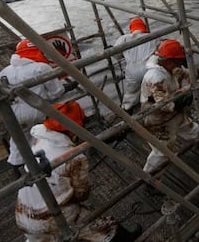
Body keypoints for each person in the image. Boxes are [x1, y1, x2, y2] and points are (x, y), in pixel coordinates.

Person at [15, 101, 142, 241]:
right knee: (103, 227)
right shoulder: (75, 158)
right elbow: (82, 194)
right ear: (72, 128)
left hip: (23, 215)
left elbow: (62, 147)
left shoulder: (39, 139)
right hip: (50, 217)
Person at [140, 39, 199, 173]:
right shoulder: (155, 78)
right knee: (162, 153)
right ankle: (149, 177)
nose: (179, 64)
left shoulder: (170, 67)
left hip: (175, 115)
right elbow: (163, 105)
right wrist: (183, 99)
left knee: (196, 131)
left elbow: (188, 74)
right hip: (158, 121)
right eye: (178, 61)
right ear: (168, 60)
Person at [0, 39, 77, 167]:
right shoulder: (41, 67)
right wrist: (67, 87)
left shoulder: (4, 72)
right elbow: (55, 92)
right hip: (36, 110)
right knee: (43, 138)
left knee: (19, 142)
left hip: (13, 113)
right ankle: (48, 165)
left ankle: (20, 168)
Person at [114, 17, 159, 113]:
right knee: (153, 91)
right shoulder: (153, 37)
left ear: (131, 28)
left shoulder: (124, 38)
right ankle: (153, 108)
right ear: (144, 27)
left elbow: (116, 55)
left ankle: (127, 112)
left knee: (131, 94)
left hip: (132, 70)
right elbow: (159, 52)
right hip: (149, 69)